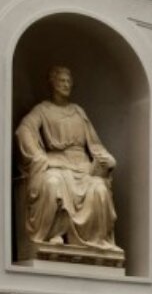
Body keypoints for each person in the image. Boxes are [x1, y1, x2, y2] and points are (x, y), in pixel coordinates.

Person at [16, 66, 121, 258]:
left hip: (83, 166)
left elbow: (95, 144)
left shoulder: (78, 112)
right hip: (57, 162)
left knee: (100, 189)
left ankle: (96, 240)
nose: (66, 85)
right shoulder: (43, 110)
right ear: (53, 84)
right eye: (61, 81)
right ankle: (54, 233)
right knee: (52, 182)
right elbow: (24, 129)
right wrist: (38, 156)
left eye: (68, 81)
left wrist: (108, 158)